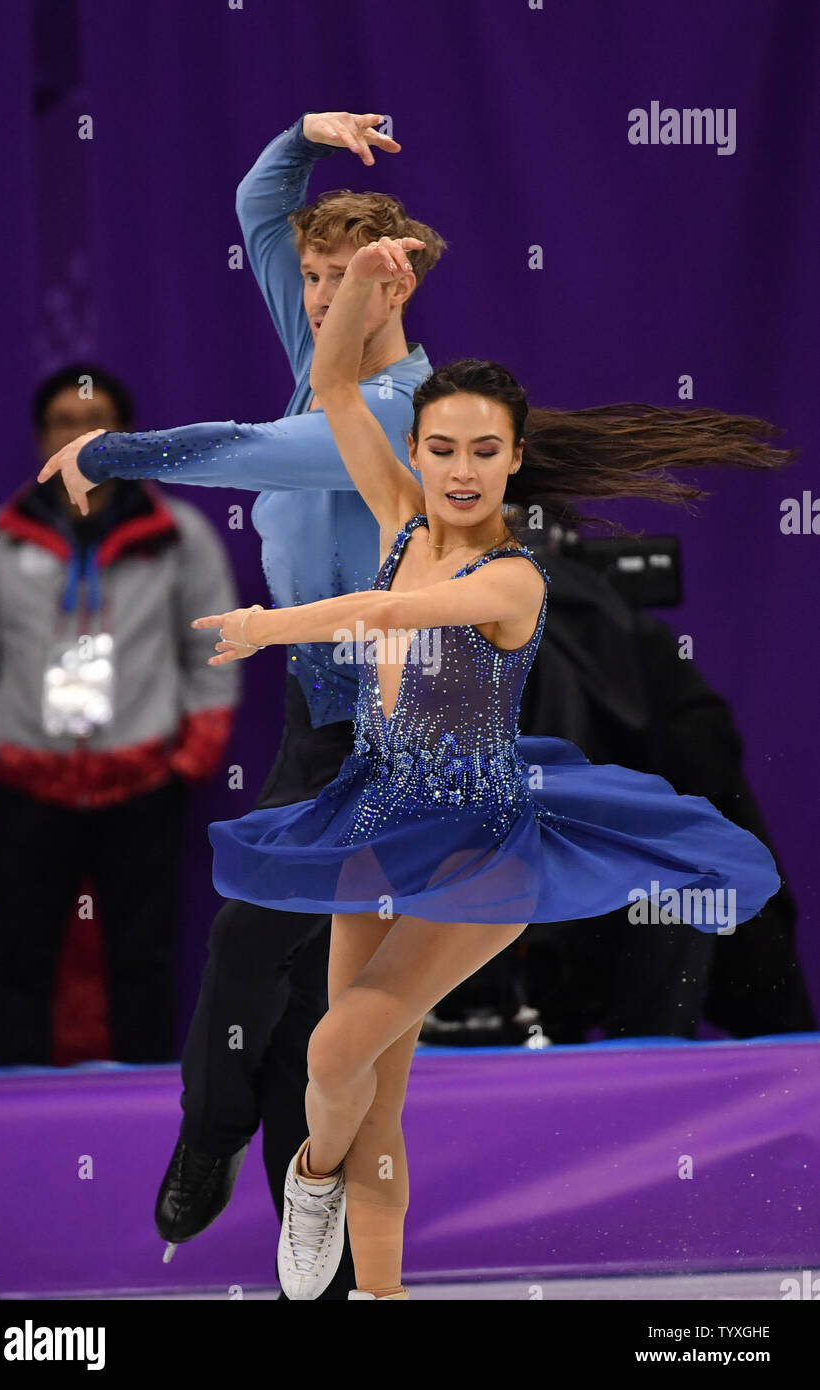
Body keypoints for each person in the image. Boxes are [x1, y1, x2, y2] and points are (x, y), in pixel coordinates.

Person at [192, 234, 789, 1300]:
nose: (460, 470)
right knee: (375, 1095)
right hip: (376, 820)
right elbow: (333, 383)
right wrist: (370, 288)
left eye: (482, 451)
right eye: (442, 448)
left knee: (335, 1052)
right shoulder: (395, 520)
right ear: (412, 450)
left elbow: (383, 610)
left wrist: (268, 623)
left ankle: (311, 1176)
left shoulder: (508, 580)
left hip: (477, 850)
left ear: (514, 460)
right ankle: (381, 1296)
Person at [37, 111, 445, 1297]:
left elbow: (246, 451)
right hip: (320, 705)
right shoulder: (322, 353)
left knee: (282, 957)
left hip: (394, 719)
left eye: (338, 280)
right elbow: (260, 215)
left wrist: (109, 454)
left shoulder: (397, 410)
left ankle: (231, 1153)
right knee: (279, 962)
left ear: (391, 281)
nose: (314, 298)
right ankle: (241, 1168)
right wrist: (297, 136)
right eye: (310, 279)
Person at [0, 363, 240, 1065]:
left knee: (143, 959)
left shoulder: (179, 534)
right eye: (65, 421)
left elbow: (213, 645)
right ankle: (13, 1115)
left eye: (97, 421)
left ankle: (146, 1108)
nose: (81, 434)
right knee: (21, 961)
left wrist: (194, 753)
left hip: (142, 782)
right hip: (26, 783)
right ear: (38, 437)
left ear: (128, 435)